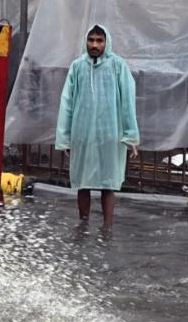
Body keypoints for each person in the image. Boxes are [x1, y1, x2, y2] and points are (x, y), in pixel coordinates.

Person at [55, 24, 140, 228]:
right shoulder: (77, 67)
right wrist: (65, 137)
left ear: (106, 42)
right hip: (81, 133)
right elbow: (66, 103)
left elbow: (128, 102)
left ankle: (107, 228)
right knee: (82, 184)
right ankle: (83, 225)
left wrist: (130, 135)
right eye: (91, 40)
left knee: (108, 183)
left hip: (110, 134)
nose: (94, 44)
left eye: (99, 40)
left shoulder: (118, 66)